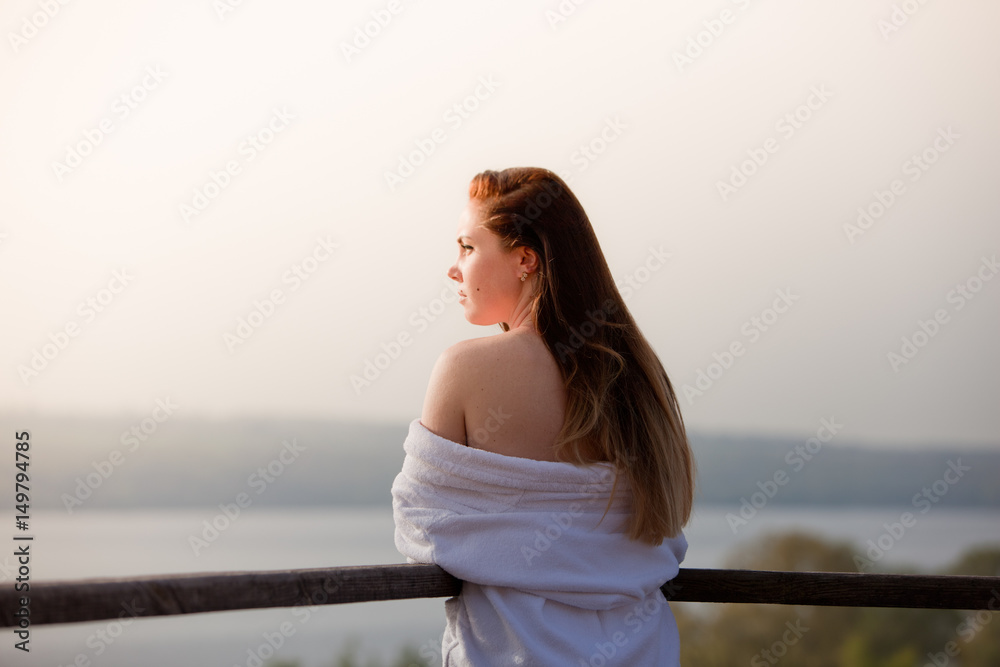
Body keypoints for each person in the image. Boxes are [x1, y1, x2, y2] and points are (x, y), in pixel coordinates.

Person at [391, 167, 694, 666]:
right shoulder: (638, 376)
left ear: (525, 260)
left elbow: (420, 527)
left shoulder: (464, 368)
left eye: (468, 248)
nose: (454, 268)